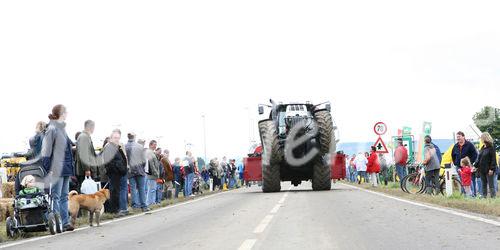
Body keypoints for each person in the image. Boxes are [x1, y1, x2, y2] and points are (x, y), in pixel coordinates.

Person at [41, 104, 74, 231]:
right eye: (65, 112)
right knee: (56, 196)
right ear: (61, 113)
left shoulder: (61, 128)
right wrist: (49, 168)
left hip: (65, 166)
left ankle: (65, 223)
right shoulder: (52, 128)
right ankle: (56, 222)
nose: (67, 114)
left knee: (64, 196)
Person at [102, 129, 128, 215]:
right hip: (114, 173)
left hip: (118, 173)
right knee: (114, 191)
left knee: (116, 191)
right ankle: (115, 210)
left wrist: (122, 169)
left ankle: (118, 209)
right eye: (115, 138)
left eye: (118, 138)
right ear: (111, 138)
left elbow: (121, 160)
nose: (117, 139)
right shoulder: (109, 147)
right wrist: (118, 169)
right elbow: (110, 162)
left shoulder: (116, 147)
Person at [125, 133, 149, 212]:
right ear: (134, 137)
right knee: (141, 188)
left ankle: (134, 205)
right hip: (140, 170)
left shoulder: (125, 146)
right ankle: (144, 206)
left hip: (130, 170)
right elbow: (144, 160)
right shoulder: (139, 146)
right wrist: (142, 167)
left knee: (133, 189)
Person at [75, 120, 100, 193]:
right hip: (85, 171)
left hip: (85, 170)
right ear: (90, 127)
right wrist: (87, 169)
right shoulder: (84, 137)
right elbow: (84, 154)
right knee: (85, 194)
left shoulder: (85, 136)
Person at [474, 132, 497, 198]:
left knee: (491, 185)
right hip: (482, 169)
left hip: (489, 169)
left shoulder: (491, 147)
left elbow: (493, 159)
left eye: (481, 138)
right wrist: (475, 166)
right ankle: (484, 196)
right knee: (483, 184)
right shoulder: (482, 147)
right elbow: (479, 158)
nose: (480, 139)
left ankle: (493, 197)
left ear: (484, 138)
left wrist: (491, 169)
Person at [145, 140, 161, 205]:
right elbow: (151, 164)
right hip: (152, 174)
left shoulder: (151, 152)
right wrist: (156, 173)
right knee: (151, 189)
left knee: (153, 188)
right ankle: (149, 202)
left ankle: (152, 202)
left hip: (152, 174)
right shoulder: (149, 152)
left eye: (156, 145)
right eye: (154, 144)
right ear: (150, 145)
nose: (155, 146)